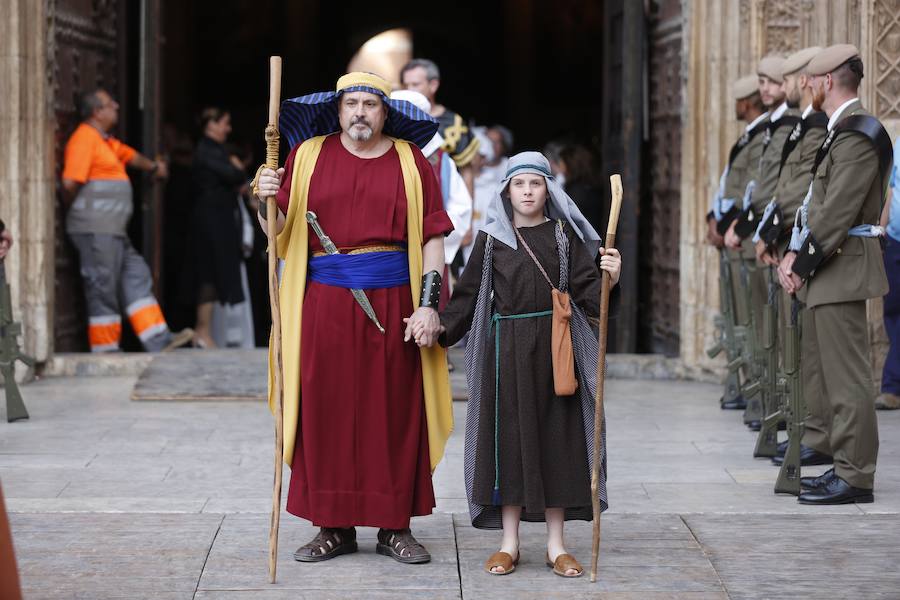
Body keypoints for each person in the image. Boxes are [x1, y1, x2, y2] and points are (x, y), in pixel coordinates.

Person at [254, 72, 454, 564]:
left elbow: (432, 238)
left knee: (395, 412)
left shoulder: (412, 163)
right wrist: (263, 196)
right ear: (338, 110)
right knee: (326, 411)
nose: (360, 112)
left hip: (395, 303)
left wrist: (428, 304)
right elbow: (276, 230)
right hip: (323, 303)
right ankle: (333, 527)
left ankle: (394, 527)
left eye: (370, 104)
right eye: (352, 104)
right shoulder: (306, 156)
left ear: (386, 112)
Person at [434, 151, 621, 578]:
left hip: (557, 351)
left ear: (548, 189)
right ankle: (509, 543)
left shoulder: (563, 236)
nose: (527, 191)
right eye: (519, 184)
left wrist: (611, 275)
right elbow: (464, 299)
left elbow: (593, 297)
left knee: (558, 442)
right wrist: (438, 330)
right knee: (509, 444)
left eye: (535, 184)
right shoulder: (491, 240)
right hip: (507, 355)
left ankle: (557, 546)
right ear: (506, 191)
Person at [778, 45, 893, 504]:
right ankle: (840, 463)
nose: (807, 86)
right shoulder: (840, 131)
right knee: (826, 376)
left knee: (848, 379)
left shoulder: (859, 134)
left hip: (841, 265)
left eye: (812, 79)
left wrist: (798, 262)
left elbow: (836, 211)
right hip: (831, 266)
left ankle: (855, 475)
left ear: (828, 81)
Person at [61, 89, 193, 352]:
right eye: (111, 104)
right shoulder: (84, 139)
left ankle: (158, 340)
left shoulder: (105, 142)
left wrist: (154, 167)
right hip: (96, 229)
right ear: (97, 112)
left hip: (113, 231)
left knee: (136, 274)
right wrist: (80, 212)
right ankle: (105, 349)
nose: (118, 106)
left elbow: (131, 157)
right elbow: (69, 183)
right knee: (103, 286)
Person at [706, 75, 769, 410]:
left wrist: (727, 225)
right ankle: (747, 385)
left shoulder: (763, 138)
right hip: (732, 239)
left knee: (753, 320)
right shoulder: (748, 137)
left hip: (743, 241)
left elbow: (752, 192)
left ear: (745, 103)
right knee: (738, 318)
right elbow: (728, 186)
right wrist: (711, 219)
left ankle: (759, 391)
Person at [390, 89, 472, 304]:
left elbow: (460, 209)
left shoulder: (441, 160)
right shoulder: (381, 153)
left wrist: (430, 237)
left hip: (430, 252)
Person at [188, 107, 254, 348]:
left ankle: (205, 333)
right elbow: (234, 176)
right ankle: (204, 332)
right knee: (212, 272)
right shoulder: (206, 150)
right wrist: (237, 166)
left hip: (219, 219)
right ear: (212, 125)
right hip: (212, 221)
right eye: (224, 123)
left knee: (215, 274)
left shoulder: (215, 150)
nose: (228, 129)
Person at [400, 59, 480, 198]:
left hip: (444, 203)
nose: (409, 90)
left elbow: (467, 172)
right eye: (405, 85)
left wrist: (467, 217)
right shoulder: (397, 119)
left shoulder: (453, 123)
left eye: (415, 84)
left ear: (433, 85)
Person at [876, 135, 900, 411]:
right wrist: (880, 233)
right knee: (893, 310)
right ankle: (893, 387)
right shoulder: (898, 144)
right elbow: (889, 189)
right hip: (895, 241)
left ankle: (893, 385)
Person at [559, 143, 608, 235]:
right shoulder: (592, 188)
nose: (561, 169)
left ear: (570, 165)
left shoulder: (575, 193)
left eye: (562, 163)